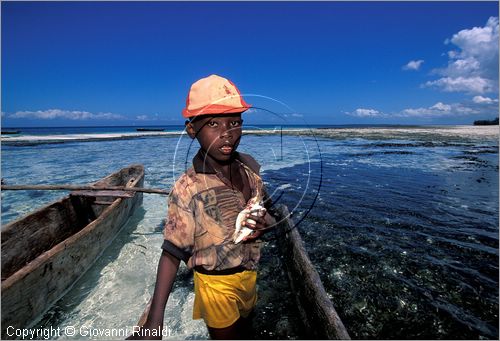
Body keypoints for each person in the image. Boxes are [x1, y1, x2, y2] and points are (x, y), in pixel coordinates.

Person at [129, 74, 276, 340]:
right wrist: (155, 318)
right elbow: (172, 252)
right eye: (213, 124)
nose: (227, 133)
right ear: (191, 130)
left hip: (249, 276)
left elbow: (267, 212)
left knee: (246, 328)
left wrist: (266, 223)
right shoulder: (187, 188)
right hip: (215, 284)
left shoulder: (251, 171)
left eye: (234, 123)